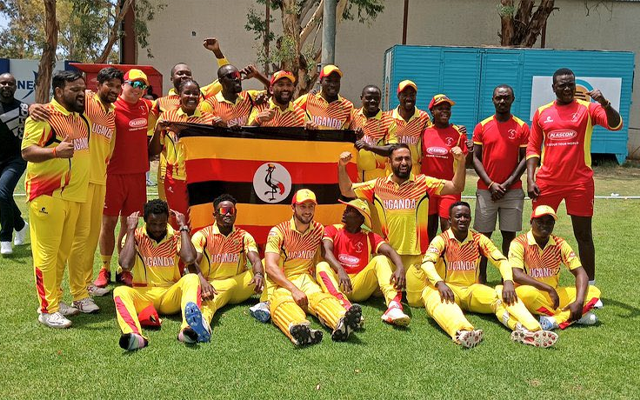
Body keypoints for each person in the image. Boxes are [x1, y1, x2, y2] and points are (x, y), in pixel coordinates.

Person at [338, 143, 466, 307]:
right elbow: (347, 190)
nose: (404, 162)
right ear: (389, 162)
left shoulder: (423, 183)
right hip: (388, 256)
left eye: (407, 158)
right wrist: (342, 166)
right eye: (399, 159)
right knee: (377, 292)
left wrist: (461, 161)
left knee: (415, 301)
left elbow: (456, 186)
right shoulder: (378, 185)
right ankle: (393, 302)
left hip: (415, 256)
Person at [526, 68, 622, 285]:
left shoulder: (589, 109)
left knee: (584, 235)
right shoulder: (542, 112)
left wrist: (605, 103)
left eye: (571, 84)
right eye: (562, 85)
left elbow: (616, 125)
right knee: (539, 233)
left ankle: (589, 287)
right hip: (547, 183)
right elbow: (532, 148)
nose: (567, 88)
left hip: (580, 183)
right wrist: (531, 179)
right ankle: (537, 282)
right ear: (554, 88)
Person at [420, 202, 558, 348]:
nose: (462, 219)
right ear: (449, 220)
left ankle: (529, 330)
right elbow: (426, 263)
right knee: (437, 300)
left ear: (470, 219)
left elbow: (502, 261)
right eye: (458, 216)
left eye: (466, 216)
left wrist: (508, 281)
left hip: (471, 289)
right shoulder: (441, 240)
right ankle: (463, 332)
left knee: (501, 298)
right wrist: (440, 283)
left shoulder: (479, 239)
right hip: (447, 288)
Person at [22, 70, 90, 328]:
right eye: (75, 90)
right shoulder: (44, 115)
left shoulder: (78, 118)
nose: (81, 94)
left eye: (83, 89)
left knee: (61, 252)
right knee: (47, 255)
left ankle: (57, 300)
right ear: (59, 91)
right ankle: (47, 309)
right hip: (47, 194)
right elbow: (27, 151)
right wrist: (54, 152)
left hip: (71, 195)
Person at [265, 189, 362, 346]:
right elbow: (270, 267)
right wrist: (294, 290)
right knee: (282, 302)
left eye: (311, 207)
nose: (307, 211)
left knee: (320, 298)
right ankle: (299, 328)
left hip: (306, 279)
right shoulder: (278, 232)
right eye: (303, 206)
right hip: (282, 282)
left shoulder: (318, 230)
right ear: (293, 208)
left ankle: (342, 321)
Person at [114, 200, 207, 350]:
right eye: (153, 224)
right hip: (143, 295)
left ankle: (188, 329)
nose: (157, 228)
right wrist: (130, 229)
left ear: (167, 221)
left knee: (192, 278)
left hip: (169, 296)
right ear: (145, 221)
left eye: (162, 224)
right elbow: (125, 264)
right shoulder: (135, 235)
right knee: (119, 291)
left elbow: (189, 258)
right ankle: (135, 336)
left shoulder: (176, 236)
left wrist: (183, 227)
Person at [95, 69, 155, 288]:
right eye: (134, 84)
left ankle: (124, 269)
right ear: (123, 85)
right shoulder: (109, 107)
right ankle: (104, 268)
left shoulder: (147, 107)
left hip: (138, 176)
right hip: (113, 175)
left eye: (143, 86)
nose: (138, 89)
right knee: (108, 222)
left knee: (130, 224)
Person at [316, 199, 410, 326]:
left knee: (381, 259)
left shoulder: (368, 236)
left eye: (350, 210)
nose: (345, 211)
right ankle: (344, 306)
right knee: (321, 266)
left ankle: (394, 306)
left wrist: (400, 267)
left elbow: (389, 251)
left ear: (360, 219)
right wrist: (340, 269)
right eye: (347, 208)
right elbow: (326, 252)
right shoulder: (333, 229)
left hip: (359, 286)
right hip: (339, 281)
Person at [509, 205, 603, 331]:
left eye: (549, 222)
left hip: (554, 296)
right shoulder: (519, 243)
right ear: (531, 222)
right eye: (540, 221)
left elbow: (581, 273)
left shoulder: (559, 243)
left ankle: (553, 320)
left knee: (593, 291)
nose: (545, 225)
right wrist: (548, 288)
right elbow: (516, 275)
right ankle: (572, 316)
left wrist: (579, 302)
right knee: (528, 294)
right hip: (529, 292)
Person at [472, 85, 529, 284]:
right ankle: (481, 277)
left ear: (513, 99)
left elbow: (525, 158)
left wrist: (506, 184)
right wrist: (490, 184)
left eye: (506, 98)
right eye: (498, 98)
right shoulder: (482, 126)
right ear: (493, 99)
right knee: (483, 237)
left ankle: (510, 277)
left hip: (512, 191)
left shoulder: (522, 127)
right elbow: (476, 158)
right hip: (486, 190)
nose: (502, 101)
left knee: (509, 237)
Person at [190, 194, 265, 331]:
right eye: (224, 211)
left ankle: (267, 304)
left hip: (240, 285)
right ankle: (202, 323)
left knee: (267, 264)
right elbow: (192, 263)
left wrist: (259, 274)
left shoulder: (244, 236)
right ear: (215, 214)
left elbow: (255, 260)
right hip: (213, 285)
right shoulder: (202, 236)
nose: (228, 214)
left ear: (236, 213)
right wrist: (202, 281)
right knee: (210, 300)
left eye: (232, 211)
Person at [149, 80, 217, 222]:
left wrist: (222, 128)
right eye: (187, 93)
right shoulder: (167, 117)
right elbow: (154, 151)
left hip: (201, 178)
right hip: (175, 178)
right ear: (179, 96)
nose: (192, 96)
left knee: (200, 220)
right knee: (177, 220)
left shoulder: (209, 120)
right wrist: (158, 131)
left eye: (195, 93)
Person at [421, 94, 468, 244]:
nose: (445, 111)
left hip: (450, 187)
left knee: (447, 226)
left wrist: (470, 149)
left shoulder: (458, 133)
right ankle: (429, 256)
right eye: (440, 108)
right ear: (432, 111)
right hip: (427, 187)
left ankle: (450, 256)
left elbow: (466, 161)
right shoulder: (424, 132)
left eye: (447, 108)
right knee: (429, 227)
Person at [0, 73, 29, 255]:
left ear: (16, 87)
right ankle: (20, 224)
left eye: (10, 83)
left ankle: (5, 238)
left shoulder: (24, 109)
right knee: (3, 196)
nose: (6, 86)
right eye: (3, 83)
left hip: (16, 159)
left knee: (2, 193)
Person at [350, 85, 397, 181]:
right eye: (368, 98)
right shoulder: (352, 115)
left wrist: (369, 147)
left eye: (376, 98)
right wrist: (355, 138)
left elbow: (392, 149)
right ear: (361, 98)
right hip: (353, 173)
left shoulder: (388, 121)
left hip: (377, 176)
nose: (372, 101)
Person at [199, 64, 269, 128]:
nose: (236, 79)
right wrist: (224, 128)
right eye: (231, 76)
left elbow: (273, 91)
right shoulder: (209, 105)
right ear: (220, 81)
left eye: (238, 75)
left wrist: (257, 75)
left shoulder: (248, 96)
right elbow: (202, 130)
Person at [386, 80, 431, 175]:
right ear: (398, 96)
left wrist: (456, 128)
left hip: (414, 169)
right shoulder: (388, 117)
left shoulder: (423, 117)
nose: (409, 98)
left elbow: (434, 133)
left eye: (412, 95)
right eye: (405, 95)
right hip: (392, 168)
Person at [294, 65, 353, 130]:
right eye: (328, 81)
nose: (333, 85)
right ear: (321, 81)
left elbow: (351, 131)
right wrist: (304, 125)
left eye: (336, 81)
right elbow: (289, 113)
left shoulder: (348, 106)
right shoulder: (308, 99)